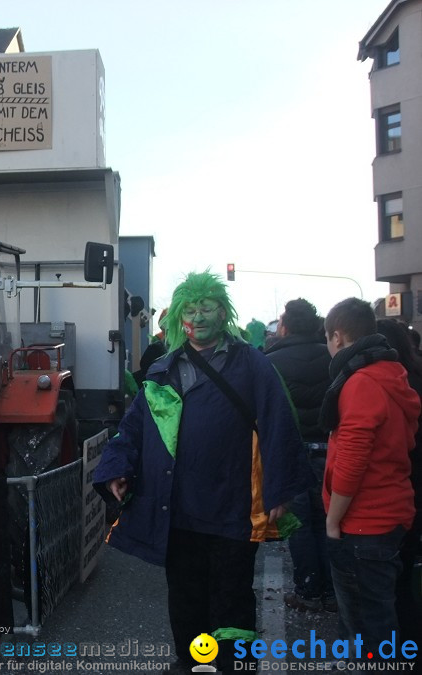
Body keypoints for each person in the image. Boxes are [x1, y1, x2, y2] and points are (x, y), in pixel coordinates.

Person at [92, 271, 306, 672]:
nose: (198, 317)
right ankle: (191, 664)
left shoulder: (252, 365)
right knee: (186, 597)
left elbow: (279, 423)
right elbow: (135, 427)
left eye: (206, 307)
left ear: (223, 312)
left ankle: (234, 668)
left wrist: (280, 489)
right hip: (176, 513)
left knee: (231, 599)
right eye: (189, 309)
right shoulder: (164, 368)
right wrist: (117, 468)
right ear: (178, 318)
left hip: (231, 509)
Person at [321, 299, 419, 660]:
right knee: (379, 619)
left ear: (338, 336)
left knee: (367, 629)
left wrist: (333, 520)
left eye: (328, 339)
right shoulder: (390, 374)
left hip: (364, 523)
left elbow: (352, 459)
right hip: (389, 512)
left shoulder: (360, 382)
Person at [264, 299, 335, 613]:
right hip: (330, 449)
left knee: (301, 523)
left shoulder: (272, 360)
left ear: (286, 326)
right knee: (331, 520)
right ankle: (334, 591)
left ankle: (307, 589)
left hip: (292, 450)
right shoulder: (332, 358)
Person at [375, 318, 422, 648]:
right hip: (413, 488)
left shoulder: (379, 386)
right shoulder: (413, 379)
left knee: (388, 585)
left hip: (394, 493)